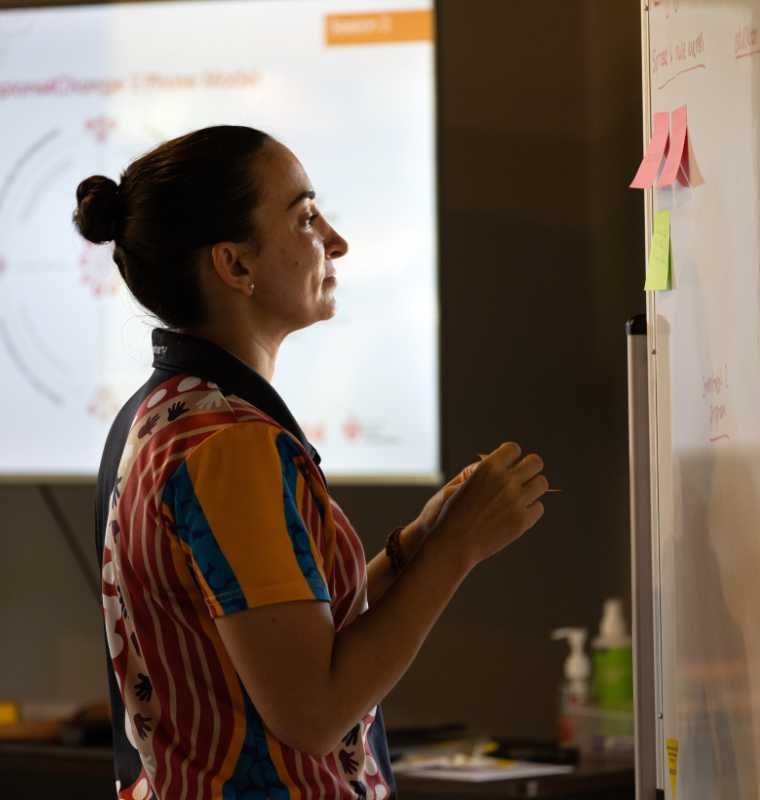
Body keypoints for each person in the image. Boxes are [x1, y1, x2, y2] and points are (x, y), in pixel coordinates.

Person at [74, 125, 548, 800]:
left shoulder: (158, 413)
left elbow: (287, 637)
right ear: (235, 266)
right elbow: (314, 713)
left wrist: (419, 544)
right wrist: (459, 549)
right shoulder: (231, 443)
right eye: (304, 218)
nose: (336, 240)